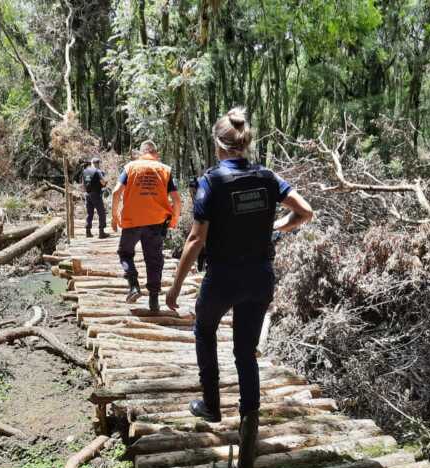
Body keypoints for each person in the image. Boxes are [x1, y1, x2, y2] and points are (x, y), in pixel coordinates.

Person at [165, 107, 313, 426]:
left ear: (218, 145)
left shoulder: (211, 182)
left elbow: (195, 239)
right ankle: (249, 416)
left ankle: (211, 405)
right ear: (244, 144)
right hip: (260, 277)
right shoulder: (267, 177)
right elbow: (305, 211)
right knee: (245, 350)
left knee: (205, 330)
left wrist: (175, 287)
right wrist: (277, 228)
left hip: (223, 278)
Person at [112, 140, 182, 312]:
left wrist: (114, 216)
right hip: (156, 222)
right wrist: (174, 218)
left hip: (132, 221)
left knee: (125, 253)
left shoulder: (130, 167)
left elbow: (116, 192)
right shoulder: (164, 169)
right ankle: (154, 300)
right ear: (155, 153)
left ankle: (134, 286)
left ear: (141, 153)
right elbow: (176, 199)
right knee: (154, 260)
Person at [82, 157, 109, 238]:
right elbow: (103, 182)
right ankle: (101, 232)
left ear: (91, 163)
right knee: (101, 213)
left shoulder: (85, 171)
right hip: (96, 194)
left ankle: (88, 231)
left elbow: (83, 183)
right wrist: (105, 184)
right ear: (97, 163)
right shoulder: (98, 171)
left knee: (89, 213)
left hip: (87, 194)